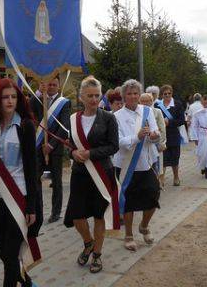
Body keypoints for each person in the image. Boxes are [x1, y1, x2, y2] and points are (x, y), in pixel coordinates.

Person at [0, 78, 42, 287]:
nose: (10, 101)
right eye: (5, 97)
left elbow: (31, 168)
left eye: (13, 96)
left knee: (11, 255)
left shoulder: (26, 126)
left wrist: (31, 206)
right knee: (5, 255)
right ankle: (26, 282)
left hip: (18, 197)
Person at [64, 76, 119, 273]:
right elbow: (69, 145)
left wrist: (90, 153)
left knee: (98, 215)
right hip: (80, 174)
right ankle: (88, 242)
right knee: (77, 215)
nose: (94, 100)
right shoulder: (73, 119)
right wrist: (72, 153)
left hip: (102, 173)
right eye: (90, 96)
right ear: (81, 98)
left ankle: (97, 255)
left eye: (97, 95)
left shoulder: (109, 118)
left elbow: (114, 146)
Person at [114, 79, 160, 251]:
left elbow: (155, 134)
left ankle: (144, 226)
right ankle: (128, 235)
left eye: (135, 93)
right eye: (129, 93)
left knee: (153, 195)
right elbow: (118, 142)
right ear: (124, 96)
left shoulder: (147, 111)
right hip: (125, 165)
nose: (133, 96)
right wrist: (137, 137)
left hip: (145, 163)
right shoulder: (116, 116)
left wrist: (154, 136)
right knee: (128, 201)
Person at [29, 76, 71, 223]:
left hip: (55, 147)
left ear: (59, 86)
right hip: (39, 144)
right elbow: (30, 106)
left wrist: (51, 144)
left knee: (57, 181)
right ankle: (37, 208)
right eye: (49, 84)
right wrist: (39, 91)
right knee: (35, 178)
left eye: (54, 84)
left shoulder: (64, 103)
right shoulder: (40, 99)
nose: (52, 87)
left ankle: (55, 212)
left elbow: (65, 127)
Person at [154, 85, 185, 187]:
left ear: (172, 93)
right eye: (165, 94)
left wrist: (169, 122)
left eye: (169, 93)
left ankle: (176, 177)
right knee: (162, 158)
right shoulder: (157, 105)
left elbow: (181, 120)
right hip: (162, 136)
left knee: (175, 158)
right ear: (161, 95)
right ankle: (161, 180)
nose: (167, 95)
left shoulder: (177, 104)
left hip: (174, 135)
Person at [139, 93, 166, 186]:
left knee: (156, 166)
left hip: (155, 143)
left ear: (151, 101)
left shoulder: (157, 111)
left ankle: (156, 184)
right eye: (143, 101)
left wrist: (161, 143)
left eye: (147, 101)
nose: (145, 103)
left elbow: (162, 129)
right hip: (141, 144)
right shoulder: (137, 112)